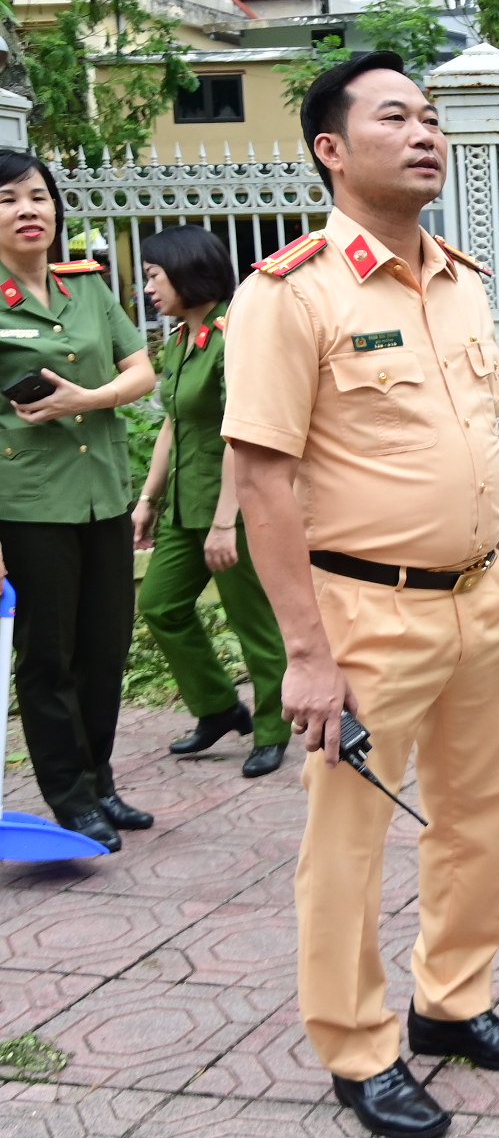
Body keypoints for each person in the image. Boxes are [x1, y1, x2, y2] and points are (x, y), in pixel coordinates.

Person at [224, 52, 499, 1138]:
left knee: (477, 815)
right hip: (364, 614)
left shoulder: (461, 281)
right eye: (395, 117)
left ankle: (452, 1003)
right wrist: (307, 654)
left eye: (433, 117)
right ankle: (359, 1049)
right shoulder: (290, 294)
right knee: (351, 843)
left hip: (475, 603)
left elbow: (481, 435)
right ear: (331, 148)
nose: (426, 134)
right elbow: (265, 479)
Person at [0, 150, 158, 853]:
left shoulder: (86, 286)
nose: (27, 210)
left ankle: (100, 782)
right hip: (27, 502)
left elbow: (142, 370)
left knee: (105, 645)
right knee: (48, 656)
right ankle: (68, 795)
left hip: (104, 495)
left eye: (37, 196)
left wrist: (89, 400)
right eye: (6, 200)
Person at [132, 226, 292, 778]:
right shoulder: (181, 339)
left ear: (186, 270)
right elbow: (173, 426)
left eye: (154, 275)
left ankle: (272, 729)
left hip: (235, 510)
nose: (147, 286)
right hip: (183, 507)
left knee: (255, 623)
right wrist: (148, 500)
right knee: (160, 605)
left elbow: (239, 433)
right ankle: (219, 707)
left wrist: (227, 521)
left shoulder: (234, 336)